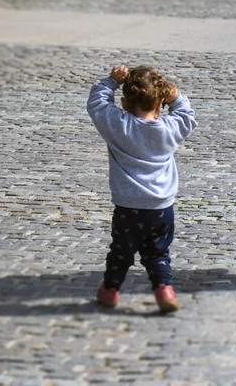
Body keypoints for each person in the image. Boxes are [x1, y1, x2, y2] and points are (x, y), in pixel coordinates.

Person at [87, 65, 197, 312]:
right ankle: (164, 289)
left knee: (120, 252)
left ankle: (110, 291)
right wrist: (175, 97)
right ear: (160, 104)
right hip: (161, 207)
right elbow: (186, 115)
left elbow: (97, 105)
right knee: (158, 253)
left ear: (125, 104)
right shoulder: (169, 129)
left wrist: (111, 81)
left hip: (128, 206)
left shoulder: (119, 126)